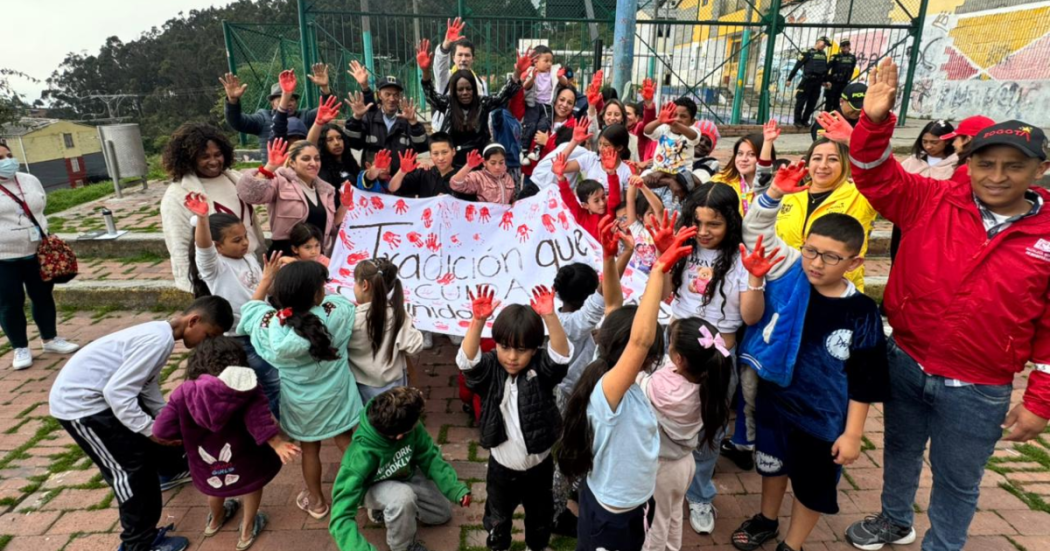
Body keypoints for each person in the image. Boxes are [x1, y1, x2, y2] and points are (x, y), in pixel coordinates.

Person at [844, 58, 1050, 551]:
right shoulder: (930, 200)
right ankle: (894, 520)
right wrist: (873, 126)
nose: (997, 176)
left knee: (958, 479)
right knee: (899, 449)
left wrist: (1040, 399)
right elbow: (874, 177)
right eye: (986, 162)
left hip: (979, 386)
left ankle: (944, 545)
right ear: (969, 161)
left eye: (1013, 165)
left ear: (1039, 169)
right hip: (908, 360)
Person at [732, 164, 889, 551]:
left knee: (813, 484)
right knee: (771, 463)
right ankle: (767, 519)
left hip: (823, 418)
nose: (816, 263)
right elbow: (755, 233)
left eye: (831, 258)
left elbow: (866, 379)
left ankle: (794, 542)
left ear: (853, 263)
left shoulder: (862, 312)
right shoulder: (791, 272)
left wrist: (852, 434)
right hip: (776, 399)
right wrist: (772, 197)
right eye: (811, 251)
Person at [48, 296, 233, 551]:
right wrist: (149, 430)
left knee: (161, 430)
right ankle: (137, 544)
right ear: (193, 321)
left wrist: (164, 417)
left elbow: (146, 385)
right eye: (210, 335)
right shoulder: (158, 341)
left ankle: (170, 470)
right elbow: (117, 393)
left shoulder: (162, 334)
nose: (208, 342)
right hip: (83, 408)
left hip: (104, 398)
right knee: (130, 470)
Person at [557, 213, 695, 551]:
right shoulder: (610, 391)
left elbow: (613, 304)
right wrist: (658, 269)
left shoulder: (602, 363)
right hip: (613, 512)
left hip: (623, 500)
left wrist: (610, 255)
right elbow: (640, 340)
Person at [662, 185, 769, 535]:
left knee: (711, 425)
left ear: (731, 223)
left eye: (715, 224)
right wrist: (665, 261)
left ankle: (699, 492)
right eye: (699, 222)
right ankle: (662, 483)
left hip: (719, 354)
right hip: (675, 346)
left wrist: (755, 278)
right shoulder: (685, 249)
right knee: (665, 416)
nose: (705, 231)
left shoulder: (741, 258)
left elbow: (751, 318)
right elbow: (666, 296)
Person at [238, 260, 364, 520]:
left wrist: (266, 280)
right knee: (346, 442)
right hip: (336, 396)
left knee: (310, 450)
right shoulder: (336, 311)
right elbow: (341, 301)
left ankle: (317, 502)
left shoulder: (271, 326)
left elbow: (251, 310)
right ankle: (366, 491)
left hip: (301, 404)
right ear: (317, 293)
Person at [152, 337, 301, 551]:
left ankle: (215, 521)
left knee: (214, 486)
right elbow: (258, 419)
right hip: (246, 456)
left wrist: (178, 436)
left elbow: (161, 430)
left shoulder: (182, 393)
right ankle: (247, 531)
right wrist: (277, 443)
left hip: (205, 459)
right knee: (251, 486)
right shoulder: (247, 387)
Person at [457, 283, 572, 551]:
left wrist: (550, 317)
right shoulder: (488, 369)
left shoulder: (541, 370)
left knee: (540, 518)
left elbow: (561, 356)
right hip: (501, 468)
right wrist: (477, 321)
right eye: (505, 347)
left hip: (539, 467)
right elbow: (467, 363)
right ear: (495, 344)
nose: (511, 357)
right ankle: (500, 545)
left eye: (521, 350)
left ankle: (536, 546)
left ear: (534, 349)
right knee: (498, 519)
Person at [330, 387, 471, 551]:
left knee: (442, 513)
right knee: (402, 497)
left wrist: (454, 488)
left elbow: (429, 456)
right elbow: (340, 518)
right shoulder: (358, 456)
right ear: (398, 436)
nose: (417, 425)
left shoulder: (409, 424)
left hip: (404, 475)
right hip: (373, 487)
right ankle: (404, 545)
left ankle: (393, 511)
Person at [184, 195, 283, 420]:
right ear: (217, 246)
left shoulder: (247, 258)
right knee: (272, 380)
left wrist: (280, 276)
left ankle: (275, 417)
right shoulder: (214, 267)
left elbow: (265, 291)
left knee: (275, 378)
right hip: (240, 335)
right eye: (237, 240)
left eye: (245, 236)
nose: (245, 243)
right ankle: (286, 423)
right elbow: (204, 248)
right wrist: (202, 219)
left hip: (264, 329)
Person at [641, 318, 733, 551]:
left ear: (679, 359)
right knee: (673, 512)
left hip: (662, 467)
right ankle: (673, 547)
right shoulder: (710, 384)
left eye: (669, 342)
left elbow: (639, 380)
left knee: (656, 521)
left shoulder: (663, 388)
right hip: (685, 463)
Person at [761, 120, 877, 292]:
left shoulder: (860, 195)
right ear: (808, 163)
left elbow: (884, 178)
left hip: (835, 292)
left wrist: (854, 141)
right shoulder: (791, 196)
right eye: (817, 158)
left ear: (845, 163)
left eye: (832, 159)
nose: (823, 166)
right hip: (787, 287)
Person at [0, 141, 79, 370]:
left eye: (9, 155)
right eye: (1, 158)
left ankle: (50, 339)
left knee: (43, 296)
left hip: (38, 251)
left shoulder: (29, 180)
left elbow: (40, 207)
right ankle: (20, 347)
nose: (8, 161)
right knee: (9, 303)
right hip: (4, 257)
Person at [161, 123, 265, 293]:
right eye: (205, 156)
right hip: (219, 277)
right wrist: (195, 285)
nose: (213, 161)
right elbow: (179, 244)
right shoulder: (177, 195)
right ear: (190, 157)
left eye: (218, 154)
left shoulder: (234, 178)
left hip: (250, 265)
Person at [418, 39, 527, 167]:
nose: (465, 92)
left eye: (468, 89)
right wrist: (425, 72)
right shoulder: (448, 103)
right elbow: (430, 95)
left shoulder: (483, 102)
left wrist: (518, 72)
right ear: (454, 91)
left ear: (474, 90)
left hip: (478, 162)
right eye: (460, 89)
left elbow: (503, 95)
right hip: (452, 163)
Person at [237, 138, 339, 257]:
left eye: (317, 158)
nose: (313, 163)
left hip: (316, 259)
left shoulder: (326, 191)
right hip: (285, 259)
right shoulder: (280, 181)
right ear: (292, 163)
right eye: (306, 159)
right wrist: (269, 167)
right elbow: (250, 195)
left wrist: (345, 205)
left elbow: (331, 229)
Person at [219, 63, 332, 162]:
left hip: (303, 173)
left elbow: (327, 109)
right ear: (272, 104)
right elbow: (236, 122)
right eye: (282, 98)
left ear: (296, 103)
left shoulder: (305, 116)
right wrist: (232, 100)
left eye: (291, 99)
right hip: (274, 175)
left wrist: (325, 88)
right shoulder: (262, 118)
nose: (288, 102)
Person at [348, 258, 423, 402]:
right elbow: (416, 345)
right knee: (395, 418)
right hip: (395, 385)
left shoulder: (351, 319)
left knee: (371, 420)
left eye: (355, 281)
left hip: (363, 386)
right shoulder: (398, 314)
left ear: (364, 285)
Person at [891, 120, 958, 261]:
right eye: (925, 141)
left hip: (936, 225)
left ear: (947, 141)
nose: (928, 146)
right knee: (898, 259)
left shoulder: (956, 164)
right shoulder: (912, 161)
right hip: (906, 221)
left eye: (934, 142)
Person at [345, 76, 429, 175]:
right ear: (379, 95)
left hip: (403, 181)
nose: (392, 99)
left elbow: (422, 147)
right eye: (387, 94)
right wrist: (356, 118)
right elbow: (353, 143)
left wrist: (414, 123)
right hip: (373, 181)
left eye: (396, 95)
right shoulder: (369, 118)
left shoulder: (407, 120)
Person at [551, 147, 623, 239]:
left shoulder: (609, 212)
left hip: (609, 252)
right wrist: (561, 179)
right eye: (596, 201)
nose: (602, 203)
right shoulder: (581, 216)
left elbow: (614, 197)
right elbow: (569, 200)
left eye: (603, 197)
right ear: (585, 205)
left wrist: (611, 173)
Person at [432, 17, 489, 129]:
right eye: (460, 55)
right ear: (453, 58)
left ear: (473, 59)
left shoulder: (481, 84)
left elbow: (486, 111)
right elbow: (440, 65)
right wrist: (446, 45)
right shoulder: (445, 78)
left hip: (471, 134)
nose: (463, 59)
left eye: (467, 55)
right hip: (445, 135)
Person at [711, 133, 775, 216]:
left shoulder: (775, 187)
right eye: (740, 153)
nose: (744, 159)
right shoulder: (719, 181)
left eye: (752, 154)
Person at [521, 45, 561, 160]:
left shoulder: (553, 74)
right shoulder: (531, 72)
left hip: (547, 105)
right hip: (534, 104)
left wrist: (560, 76)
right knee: (530, 125)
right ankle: (524, 150)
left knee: (543, 125)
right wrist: (532, 78)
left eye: (551, 61)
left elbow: (561, 81)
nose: (549, 64)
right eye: (546, 61)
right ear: (536, 62)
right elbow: (525, 87)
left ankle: (537, 149)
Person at [644, 99, 701, 177]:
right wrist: (659, 121)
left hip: (681, 175)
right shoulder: (664, 128)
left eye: (683, 116)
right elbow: (647, 131)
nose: (677, 119)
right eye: (674, 115)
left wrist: (674, 123)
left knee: (676, 188)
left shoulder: (692, 131)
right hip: (658, 172)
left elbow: (694, 137)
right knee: (641, 179)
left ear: (692, 121)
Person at [449, 145, 517, 204]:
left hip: (505, 217)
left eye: (501, 162)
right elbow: (455, 184)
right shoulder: (479, 177)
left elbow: (513, 199)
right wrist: (468, 166)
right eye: (493, 163)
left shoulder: (508, 177)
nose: (497, 167)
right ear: (484, 162)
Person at [787, 37, 830, 128]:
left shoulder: (823, 54)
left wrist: (825, 81)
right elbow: (797, 66)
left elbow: (824, 69)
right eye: (824, 43)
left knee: (812, 103)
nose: (824, 46)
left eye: (826, 45)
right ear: (818, 41)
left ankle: (805, 120)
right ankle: (797, 121)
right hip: (807, 81)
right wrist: (789, 79)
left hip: (817, 82)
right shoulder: (807, 52)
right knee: (801, 102)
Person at [823, 40, 857, 113]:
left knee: (839, 103)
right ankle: (825, 119)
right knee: (829, 102)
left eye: (847, 45)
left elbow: (852, 70)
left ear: (849, 46)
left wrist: (848, 79)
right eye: (843, 45)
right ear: (841, 47)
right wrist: (827, 81)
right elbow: (826, 69)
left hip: (844, 84)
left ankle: (835, 119)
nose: (845, 47)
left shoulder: (852, 58)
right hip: (833, 83)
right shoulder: (835, 57)